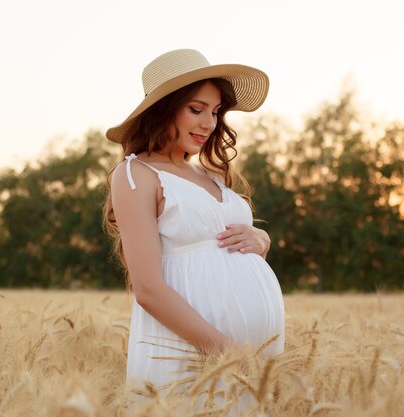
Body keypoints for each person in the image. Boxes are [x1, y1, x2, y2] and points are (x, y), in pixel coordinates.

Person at [103, 49, 285, 410]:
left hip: (252, 359)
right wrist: (230, 355)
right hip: (192, 355)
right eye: (196, 109)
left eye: (216, 112)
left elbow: (224, 246)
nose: (209, 123)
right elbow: (149, 290)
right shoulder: (136, 174)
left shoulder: (211, 174)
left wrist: (262, 241)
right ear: (163, 108)